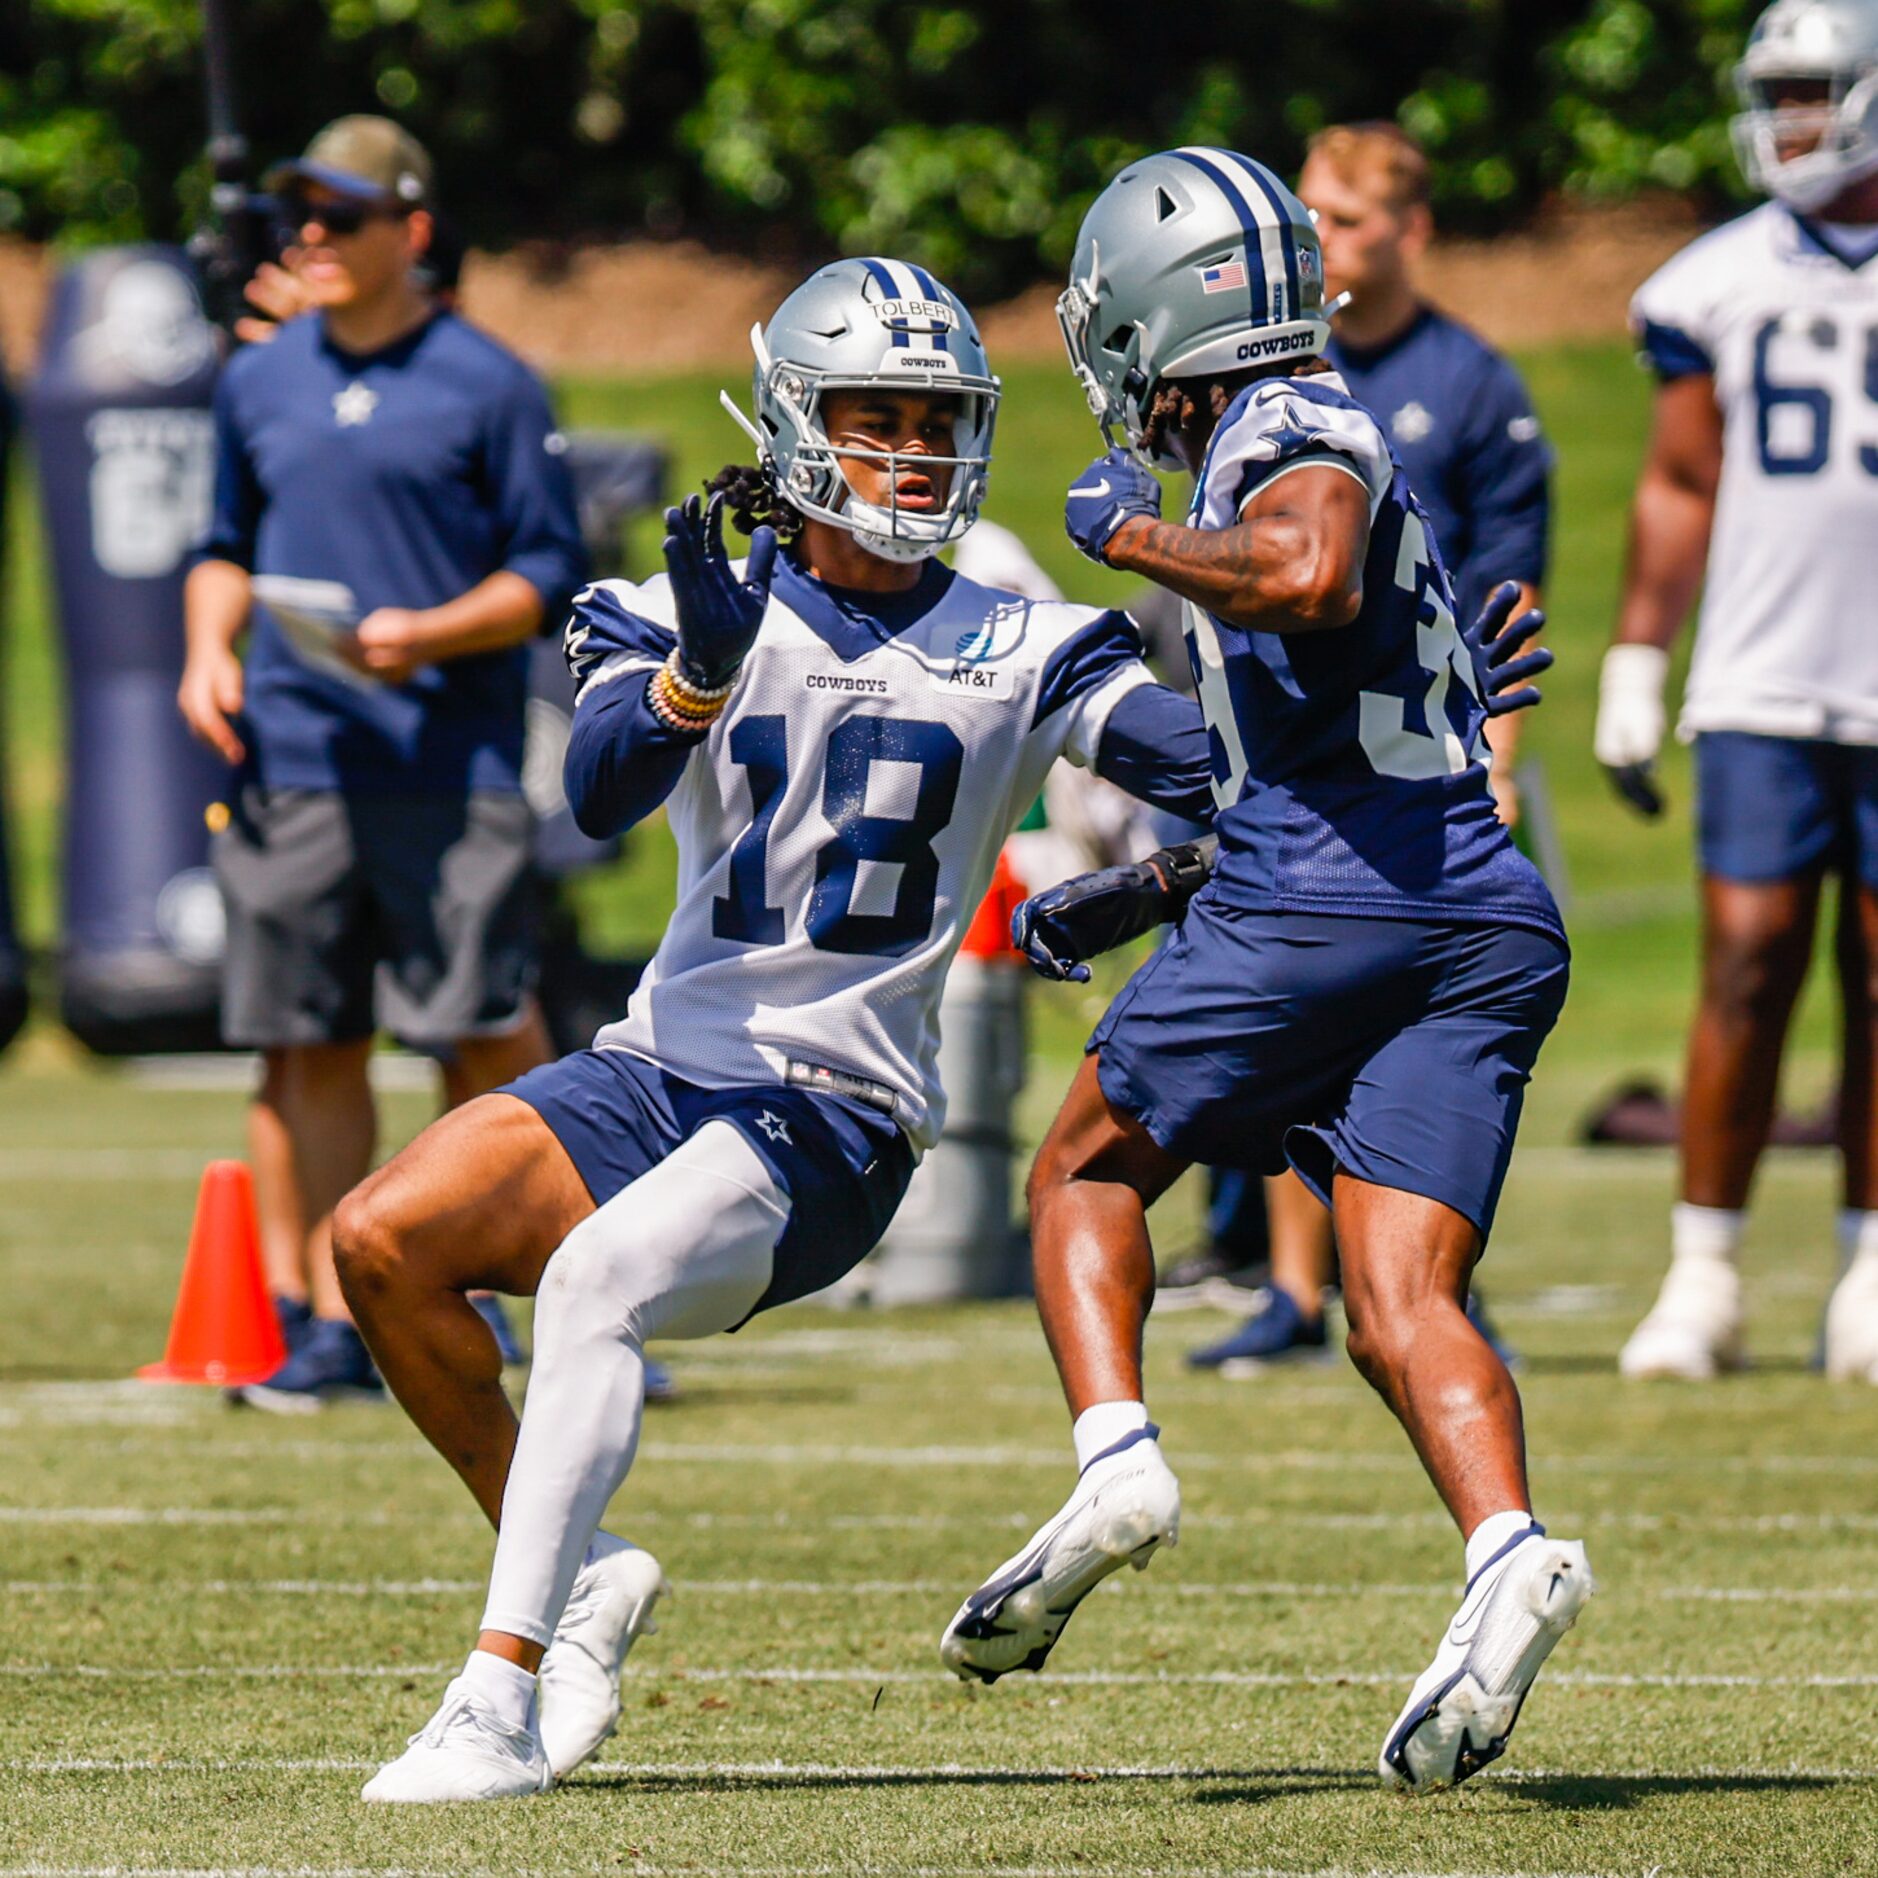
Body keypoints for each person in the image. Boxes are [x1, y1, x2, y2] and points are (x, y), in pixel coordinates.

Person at [327, 254, 1230, 1802]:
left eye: (937, 422)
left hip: (835, 1107)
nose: (913, 455)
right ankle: (584, 1569)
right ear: (799, 426)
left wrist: (1155, 876)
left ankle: (497, 1689)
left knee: (593, 1279)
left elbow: (1228, 783)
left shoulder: (1029, 638)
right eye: (876, 419)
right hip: (661, 1065)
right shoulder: (689, 602)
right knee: (378, 1240)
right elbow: (597, 793)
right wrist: (697, 665)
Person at [939, 147, 1592, 1793]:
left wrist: (1145, 542)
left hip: (1331, 901)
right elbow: (1297, 743)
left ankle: (1116, 1463)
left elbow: (1304, 572)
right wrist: (1148, 883)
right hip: (1469, 906)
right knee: (1396, 1303)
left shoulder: (1281, 431)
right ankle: (1506, 1546)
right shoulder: (1311, 437)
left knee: (1080, 1172)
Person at [179, 116, 586, 1407]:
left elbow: (545, 573)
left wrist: (432, 632)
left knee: (475, 1033)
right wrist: (208, 650)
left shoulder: (490, 382)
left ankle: (540, 1287)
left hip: (443, 759)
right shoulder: (256, 379)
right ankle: (326, 1320)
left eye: (339, 216)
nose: (309, 237)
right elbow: (221, 538)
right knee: (312, 1042)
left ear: (409, 231)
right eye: (299, 216)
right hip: (292, 760)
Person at [1182, 121, 1553, 1369]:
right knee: (1299, 998)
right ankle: (1294, 1283)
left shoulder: (1471, 381)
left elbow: (1507, 594)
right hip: (1292, 741)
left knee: (1427, 1018)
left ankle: (1421, 1271)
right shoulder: (1270, 376)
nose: (1323, 241)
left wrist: (1493, 754)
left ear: (1411, 229)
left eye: (1346, 217)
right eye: (1311, 217)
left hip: (1430, 747)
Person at [1603, 0, 1878, 1383]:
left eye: (1813, 90)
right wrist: (1638, 655)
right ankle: (1701, 1267)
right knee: (1748, 963)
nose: (1789, 120)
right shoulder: (1710, 279)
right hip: (1764, 670)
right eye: (1773, 92)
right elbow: (1677, 481)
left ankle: (1867, 1262)